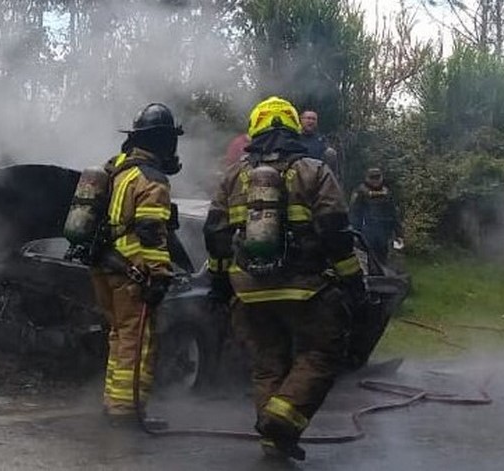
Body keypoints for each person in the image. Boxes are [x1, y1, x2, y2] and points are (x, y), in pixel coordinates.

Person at [203, 96, 365, 460]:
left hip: (248, 291)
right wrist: (353, 281)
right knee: (321, 353)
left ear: (254, 130)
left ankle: (272, 439)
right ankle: (282, 420)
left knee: (267, 363)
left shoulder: (233, 176)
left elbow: (215, 235)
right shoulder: (314, 170)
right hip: (305, 288)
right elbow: (335, 231)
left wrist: (218, 284)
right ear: (294, 127)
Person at [92, 103, 183, 429]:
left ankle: (113, 402)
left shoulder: (116, 169)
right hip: (131, 271)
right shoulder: (151, 179)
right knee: (137, 340)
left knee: (119, 336)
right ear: (162, 141)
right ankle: (126, 411)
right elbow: (150, 231)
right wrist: (159, 273)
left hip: (104, 267)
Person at [349, 167, 404, 265]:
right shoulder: (361, 193)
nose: (375, 181)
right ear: (367, 178)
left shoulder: (387, 192)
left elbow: (394, 214)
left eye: (377, 178)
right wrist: (355, 233)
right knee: (368, 260)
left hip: (385, 234)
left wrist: (399, 233)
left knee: (383, 261)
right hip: (366, 233)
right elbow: (354, 214)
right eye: (372, 178)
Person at [297, 110, 338, 174]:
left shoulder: (321, 139)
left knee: (330, 152)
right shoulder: (294, 137)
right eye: (308, 118)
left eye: (314, 119)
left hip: (317, 170)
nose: (311, 121)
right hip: (298, 170)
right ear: (301, 120)